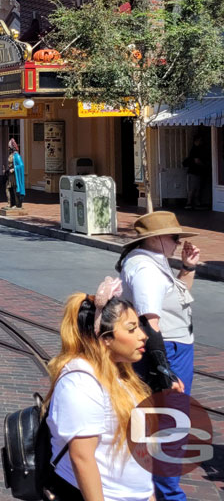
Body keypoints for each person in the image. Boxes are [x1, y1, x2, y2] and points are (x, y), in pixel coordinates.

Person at [117, 211, 201, 501]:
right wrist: (165, 370)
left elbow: (172, 303)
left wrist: (187, 269)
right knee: (170, 425)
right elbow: (150, 324)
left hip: (175, 349)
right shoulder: (146, 271)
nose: (178, 242)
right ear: (154, 239)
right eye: (174, 237)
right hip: (169, 351)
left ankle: (157, 490)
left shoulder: (155, 262)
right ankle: (169, 495)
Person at [44, 279, 152, 501]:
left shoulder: (121, 374)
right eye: (132, 329)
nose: (143, 335)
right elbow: (82, 458)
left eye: (139, 326)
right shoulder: (81, 383)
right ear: (106, 339)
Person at [183, 135, 210, 209]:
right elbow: (197, 160)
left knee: (196, 187)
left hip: (195, 171)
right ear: (197, 141)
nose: (201, 142)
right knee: (193, 187)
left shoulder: (196, 149)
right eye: (200, 140)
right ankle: (190, 203)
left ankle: (195, 202)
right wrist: (204, 165)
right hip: (194, 172)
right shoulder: (195, 149)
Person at [5, 139, 25, 209]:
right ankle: (10, 203)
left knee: (15, 189)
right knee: (8, 188)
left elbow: (21, 165)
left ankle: (17, 204)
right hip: (10, 176)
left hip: (15, 176)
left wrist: (14, 169)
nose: (8, 149)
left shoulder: (17, 156)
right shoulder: (11, 155)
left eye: (9, 147)